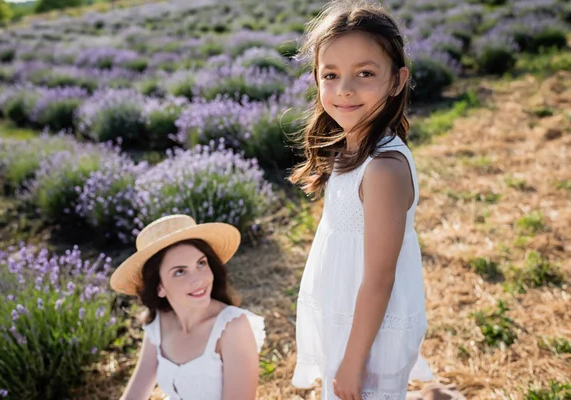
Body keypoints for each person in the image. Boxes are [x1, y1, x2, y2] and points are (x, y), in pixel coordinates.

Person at [288, 1, 433, 399]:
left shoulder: (383, 169)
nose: (345, 89)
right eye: (330, 75)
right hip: (347, 315)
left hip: (369, 335)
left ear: (397, 80)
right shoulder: (351, 150)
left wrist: (353, 363)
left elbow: (379, 278)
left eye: (365, 73)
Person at [110, 214, 266, 400]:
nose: (198, 279)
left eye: (201, 263)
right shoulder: (160, 322)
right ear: (159, 287)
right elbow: (135, 393)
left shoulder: (232, 327)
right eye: (180, 272)